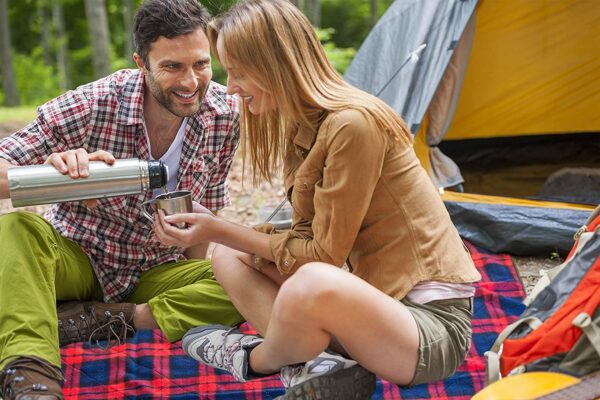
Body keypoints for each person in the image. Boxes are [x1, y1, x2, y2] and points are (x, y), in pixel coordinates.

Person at [152, 0, 483, 399]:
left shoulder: (354, 123)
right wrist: (219, 232)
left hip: (426, 330)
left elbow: (323, 257)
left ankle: (252, 359)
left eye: (238, 73)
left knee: (310, 280)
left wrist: (221, 228)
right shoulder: (304, 126)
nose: (231, 87)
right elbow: (308, 238)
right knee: (227, 254)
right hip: (370, 306)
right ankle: (317, 368)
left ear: (275, 64)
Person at [0, 0, 244, 398]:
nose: (191, 82)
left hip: (154, 272)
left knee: (260, 273)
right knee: (14, 227)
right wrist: (51, 170)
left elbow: (207, 212)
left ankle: (119, 320)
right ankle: (32, 382)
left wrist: (188, 291)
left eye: (201, 64)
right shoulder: (90, 104)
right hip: (77, 263)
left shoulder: (223, 114)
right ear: (140, 63)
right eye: (172, 67)